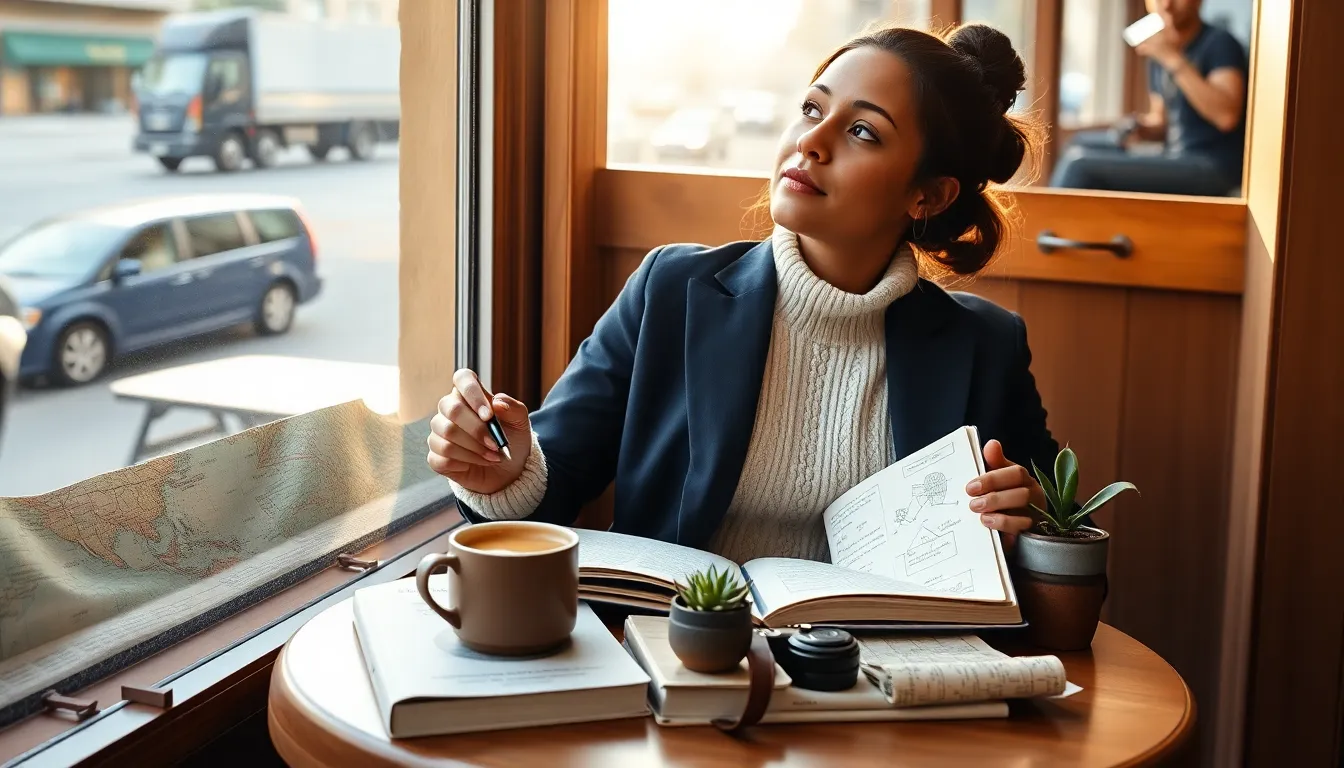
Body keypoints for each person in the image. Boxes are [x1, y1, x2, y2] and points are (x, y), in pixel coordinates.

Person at [429, 23, 1060, 564]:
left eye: (863, 132)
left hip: (875, 675)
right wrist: (503, 473)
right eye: (813, 110)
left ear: (928, 195)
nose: (811, 142)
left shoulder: (986, 345)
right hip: (676, 653)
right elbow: (555, 483)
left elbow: (1062, 528)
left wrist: (1025, 517)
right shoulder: (670, 292)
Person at [1050, 0, 1248, 196]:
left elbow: (1226, 116)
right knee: (1077, 143)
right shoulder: (1160, 51)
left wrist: (1172, 58)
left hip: (1213, 165)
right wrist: (1141, 129)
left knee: (1079, 167)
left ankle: (1045, 226)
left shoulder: (1220, 43)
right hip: (1175, 157)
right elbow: (1161, 121)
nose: (1167, 5)